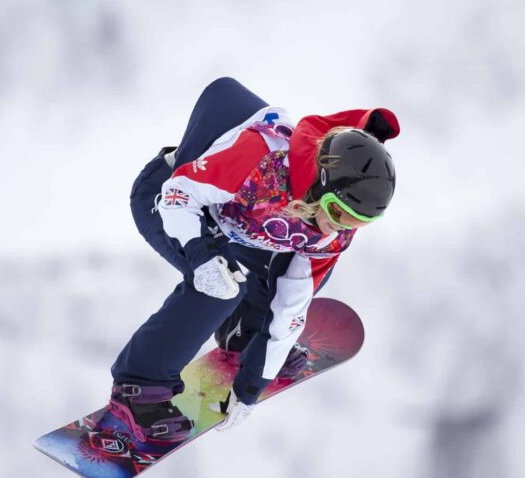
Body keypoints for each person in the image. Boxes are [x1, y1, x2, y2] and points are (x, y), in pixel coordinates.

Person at [108, 77, 399, 442]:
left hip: (240, 225)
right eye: (339, 213)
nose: (342, 228)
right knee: (220, 286)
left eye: (361, 223)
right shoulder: (259, 162)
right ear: (321, 186)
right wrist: (201, 257)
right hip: (172, 198)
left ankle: (244, 331)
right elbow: (178, 194)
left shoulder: (332, 232)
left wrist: (251, 385)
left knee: (281, 269)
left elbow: (294, 302)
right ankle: (139, 386)